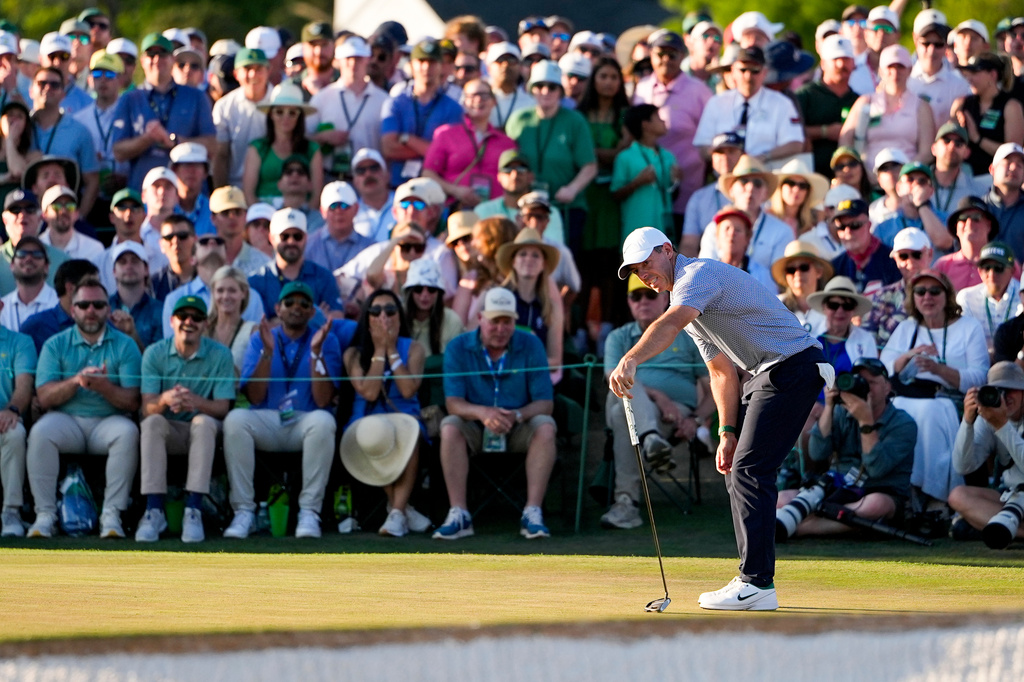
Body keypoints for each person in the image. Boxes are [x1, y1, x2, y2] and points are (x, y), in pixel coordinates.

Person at [609, 226, 829, 611]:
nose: (644, 275)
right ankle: (755, 579)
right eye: (636, 271)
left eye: (647, 264)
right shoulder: (693, 308)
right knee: (742, 468)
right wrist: (726, 431)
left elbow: (669, 324)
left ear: (667, 249)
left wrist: (631, 358)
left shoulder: (696, 276)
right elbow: (722, 372)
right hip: (769, 374)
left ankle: (756, 583)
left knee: (750, 470)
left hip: (792, 366)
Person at [434, 287, 557, 540]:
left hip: (518, 426)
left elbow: (545, 403)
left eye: (507, 322)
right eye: (494, 321)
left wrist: (517, 416)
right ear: (480, 319)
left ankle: (532, 512)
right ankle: (459, 514)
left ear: (515, 321)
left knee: (545, 426)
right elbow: (453, 403)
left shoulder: (531, 344)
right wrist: (482, 413)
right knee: (449, 425)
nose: (501, 329)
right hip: (476, 427)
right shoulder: (458, 347)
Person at [221, 282, 339, 540]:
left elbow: (323, 400)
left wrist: (316, 353)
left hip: (305, 420)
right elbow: (254, 396)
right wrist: (267, 352)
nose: (296, 308)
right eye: (290, 303)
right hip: (267, 419)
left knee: (324, 420)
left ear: (311, 312)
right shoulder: (261, 338)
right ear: (278, 308)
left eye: (304, 304)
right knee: (235, 420)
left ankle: (309, 511)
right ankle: (243, 511)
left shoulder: (325, 340)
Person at [26, 279, 142, 539]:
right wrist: (77, 381)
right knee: (40, 432)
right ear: (72, 310)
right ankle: (45, 515)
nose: (91, 310)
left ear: (108, 309)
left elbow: (133, 400)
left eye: (98, 305)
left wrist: (104, 388)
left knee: (128, 433)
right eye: (83, 304)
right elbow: (43, 397)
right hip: (66, 418)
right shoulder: (55, 344)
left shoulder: (125, 345)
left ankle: (112, 514)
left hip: (108, 420)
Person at [601, 274, 712, 529]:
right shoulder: (618, 337)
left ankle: (626, 503)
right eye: (635, 296)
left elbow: (714, 388)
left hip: (675, 417)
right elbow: (613, 379)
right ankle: (650, 439)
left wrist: (696, 421)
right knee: (623, 387)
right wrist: (659, 397)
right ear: (628, 302)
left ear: (665, 299)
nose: (642, 301)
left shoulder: (689, 335)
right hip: (653, 417)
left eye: (649, 295)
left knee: (622, 414)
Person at [880, 270, 990, 506]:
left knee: (930, 413)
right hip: (908, 394)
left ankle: (934, 493)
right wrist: (909, 355)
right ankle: (905, 490)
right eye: (920, 291)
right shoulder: (907, 328)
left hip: (950, 399)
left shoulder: (968, 327)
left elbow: (980, 376)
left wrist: (939, 369)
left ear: (947, 294)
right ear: (913, 296)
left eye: (934, 291)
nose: (927, 297)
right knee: (898, 410)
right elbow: (883, 368)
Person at [135, 296, 236, 543]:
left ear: (205, 323)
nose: (189, 322)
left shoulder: (221, 355)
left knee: (203, 423)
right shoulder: (154, 353)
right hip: (168, 428)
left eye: (197, 317)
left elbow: (223, 407)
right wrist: (165, 399)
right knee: (152, 422)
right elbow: (146, 407)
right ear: (172, 321)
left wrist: (196, 402)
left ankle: (194, 510)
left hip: (203, 431)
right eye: (183, 316)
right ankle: (154, 510)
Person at [788, 357, 916, 536]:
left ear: (887, 387)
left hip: (878, 489)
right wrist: (829, 407)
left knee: (875, 505)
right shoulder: (841, 411)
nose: (866, 387)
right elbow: (817, 454)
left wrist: (866, 421)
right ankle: (843, 521)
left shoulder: (904, 423)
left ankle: (803, 527)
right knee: (781, 499)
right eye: (861, 381)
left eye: (872, 382)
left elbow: (877, 469)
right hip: (838, 488)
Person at [340, 289, 431, 537]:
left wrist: (391, 350)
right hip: (366, 422)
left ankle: (397, 512)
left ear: (399, 317)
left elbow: (409, 388)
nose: (384, 316)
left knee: (408, 434)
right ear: (366, 317)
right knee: (376, 435)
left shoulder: (414, 349)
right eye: (376, 310)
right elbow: (369, 392)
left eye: (390, 310)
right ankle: (401, 511)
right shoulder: (354, 353)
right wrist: (379, 351)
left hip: (404, 417)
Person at [505, 60, 597, 256]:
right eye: (539, 86)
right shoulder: (518, 120)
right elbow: (507, 162)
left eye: (552, 87)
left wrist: (572, 188)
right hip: (527, 207)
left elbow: (589, 166)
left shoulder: (575, 121)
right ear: (531, 90)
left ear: (561, 91)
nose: (545, 91)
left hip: (565, 208)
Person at [111, 33, 215, 193]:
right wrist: (147, 139)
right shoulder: (129, 99)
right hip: (144, 193)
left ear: (173, 60)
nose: (157, 59)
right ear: (142, 61)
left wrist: (174, 142)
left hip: (187, 196)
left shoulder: (196, 97)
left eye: (162, 54)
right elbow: (118, 151)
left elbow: (212, 145)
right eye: (151, 54)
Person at [633, 29, 712, 222]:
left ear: (682, 56)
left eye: (672, 54)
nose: (665, 59)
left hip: (687, 191)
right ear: (651, 55)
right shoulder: (641, 87)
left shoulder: (699, 90)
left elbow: (711, 139)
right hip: (646, 190)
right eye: (660, 54)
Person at [949, 361, 1024, 541]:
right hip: (1012, 495)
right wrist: (967, 421)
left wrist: (1002, 425)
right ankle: (1017, 532)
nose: (1005, 397)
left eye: (1011, 390)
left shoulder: (997, 419)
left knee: (963, 526)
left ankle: (986, 526)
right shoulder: (989, 416)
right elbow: (963, 466)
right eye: (998, 390)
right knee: (958, 495)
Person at [693, 45, 805, 167]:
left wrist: (764, 156)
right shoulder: (717, 103)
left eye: (754, 71)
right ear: (733, 71)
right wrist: (725, 156)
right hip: (725, 178)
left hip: (766, 176)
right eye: (743, 70)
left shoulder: (781, 103)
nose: (748, 76)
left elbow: (795, 143)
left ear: (764, 73)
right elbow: (702, 146)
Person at [839, 45, 935, 181]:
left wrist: (903, 174)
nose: (895, 73)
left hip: (906, 180)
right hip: (867, 178)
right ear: (881, 71)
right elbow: (845, 139)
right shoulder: (866, 102)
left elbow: (926, 153)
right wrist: (858, 171)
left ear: (910, 70)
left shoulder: (921, 106)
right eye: (890, 67)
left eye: (900, 67)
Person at [380, 39, 463, 187]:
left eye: (432, 62)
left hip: (435, 188)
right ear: (411, 65)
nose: (426, 67)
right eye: (421, 61)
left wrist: (407, 139)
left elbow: (448, 155)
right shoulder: (395, 103)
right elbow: (389, 148)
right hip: (397, 186)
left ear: (441, 66)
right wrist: (432, 150)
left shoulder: (453, 108)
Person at [422, 78, 515, 208]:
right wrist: (455, 190)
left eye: (484, 95)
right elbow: (428, 174)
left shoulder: (507, 143)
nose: (478, 100)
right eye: (472, 96)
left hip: (495, 211)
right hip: (456, 208)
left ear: (494, 101)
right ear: (464, 102)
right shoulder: (446, 135)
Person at [307, 37, 389, 180]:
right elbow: (304, 138)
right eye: (348, 59)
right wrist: (323, 137)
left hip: (371, 178)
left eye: (358, 58)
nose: (353, 64)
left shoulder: (383, 100)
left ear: (367, 59)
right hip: (331, 175)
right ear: (338, 62)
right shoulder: (321, 98)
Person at [163, 230, 265, 337]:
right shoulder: (175, 299)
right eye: (204, 241)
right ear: (192, 259)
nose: (212, 242)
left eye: (219, 241)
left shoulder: (250, 297)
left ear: (227, 258)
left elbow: (255, 342)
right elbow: (173, 346)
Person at [697, 155, 790, 270]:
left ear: (766, 193)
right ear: (731, 190)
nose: (750, 188)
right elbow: (705, 270)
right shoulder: (713, 228)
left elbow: (779, 278)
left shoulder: (782, 231)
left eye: (757, 184)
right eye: (743, 181)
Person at [28, 67, 99, 217]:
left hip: (64, 215)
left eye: (55, 85)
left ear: (63, 94)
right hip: (24, 215)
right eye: (42, 83)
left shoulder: (79, 131)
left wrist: (79, 219)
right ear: (31, 90)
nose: (48, 88)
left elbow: (92, 181)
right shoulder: (20, 127)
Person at [247, 208, 341, 320]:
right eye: (284, 236)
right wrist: (314, 317)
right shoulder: (256, 280)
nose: (291, 242)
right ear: (272, 238)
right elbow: (258, 327)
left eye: (297, 236)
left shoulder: (323, 276)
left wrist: (280, 320)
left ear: (306, 238)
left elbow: (337, 317)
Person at [495, 227, 565, 372]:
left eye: (535, 255)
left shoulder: (552, 307)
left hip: (535, 384)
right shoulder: (496, 298)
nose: (529, 259)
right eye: (522, 254)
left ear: (543, 264)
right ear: (513, 261)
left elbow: (555, 361)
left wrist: (525, 363)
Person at [243, 82, 322, 206]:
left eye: (292, 113)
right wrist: (262, 221)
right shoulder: (257, 148)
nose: (286, 118)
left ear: (299, 117)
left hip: (303, 214)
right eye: (279, 112)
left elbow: (316, 195)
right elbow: (249, 194)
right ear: (271, 115)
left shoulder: (312, 149)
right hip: (263, 214)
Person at [796, 35, 860, 177]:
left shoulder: (859, 100)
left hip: (848, 175)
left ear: (853, 63)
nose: (841, 65)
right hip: (811, 175)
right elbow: (790, 132)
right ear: (823, 64)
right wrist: (824, 131)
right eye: (835, 59)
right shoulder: (805, 95)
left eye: (846, 59)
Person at [611, 104, 677, 242]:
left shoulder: (668, 156)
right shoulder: (625, 157)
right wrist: (637, 183)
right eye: (658, 117)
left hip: (663, 232)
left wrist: (677, 181)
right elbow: (615, 194)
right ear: (645, 125)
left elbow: (672, 194)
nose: (664, 121)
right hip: (635, 233)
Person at [952, 53, 1024, 178]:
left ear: (993, 75)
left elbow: (1013, 153)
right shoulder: (963, 103)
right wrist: (956, 128)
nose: (970, 78)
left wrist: (977, 139)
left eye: (975, 73)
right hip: (963, 176)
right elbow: (948, 139)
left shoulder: (1010, 106)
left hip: (995, 178)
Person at [861, 227, 934, 346]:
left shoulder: (943, 294)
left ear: (930, 254)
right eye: (903, 256)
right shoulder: (881, 297)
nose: (910, 262)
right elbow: (867, 342)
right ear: (895, 259)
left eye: (916, 255)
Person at [474, 149, 565, 243]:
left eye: (521, 169)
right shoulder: (483, 211)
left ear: (531, 176)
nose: (514, 175)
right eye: (508, 170)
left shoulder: (549, 212)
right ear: (499, 177)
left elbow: (555, 249)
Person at [212, 48, 272, 189]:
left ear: (268, 71)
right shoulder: (224, 106)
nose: (253, 74)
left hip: (273, 186)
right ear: (236, 74)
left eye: (259, 68)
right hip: (236, 186)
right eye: (247, 68)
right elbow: (221, 155)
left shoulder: (280, 101)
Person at [0, 299, 35, 536]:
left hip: (4, 418)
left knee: (15, 433)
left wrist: (11, 410)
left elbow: (24, 387)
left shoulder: (21, 342)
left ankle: (11, 511)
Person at [907, 10, 971, 132]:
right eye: (926, 43)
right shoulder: (903, 78)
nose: (932, 50)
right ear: (915, 40)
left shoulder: (960, 85)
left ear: (946, 44)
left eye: (938, 44)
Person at [681, 132, 742, 257]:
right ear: (712, 158)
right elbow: (689, 244)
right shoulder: (699, 198)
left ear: (742, 155)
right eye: (719, 152)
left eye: (731, 151)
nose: (725, 157)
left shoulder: (758, 192)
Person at [807, 276, 878, 382]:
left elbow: (871, 380)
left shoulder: (866, 339)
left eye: (847, 306)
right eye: (833, 305)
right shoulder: (808, 335)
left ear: (854, 310)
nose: (840, 311)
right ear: (824, 307)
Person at [956, 241, 1022, 356]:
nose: (991, 274)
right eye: (986, 268)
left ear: (1012, 271)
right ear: (979, 271)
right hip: (977, 360)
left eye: (998, 268)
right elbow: (964, 340)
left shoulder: (1022, 296)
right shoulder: (966, 297)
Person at [19, 258, 98, 353]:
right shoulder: (36, 326)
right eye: (92, 285)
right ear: (70, 288)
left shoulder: (101, 321)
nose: (98, 290)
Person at [872, 162, 952, 251]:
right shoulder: (883, 228)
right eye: (910, 180)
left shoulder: (947, 219)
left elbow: (944, 242)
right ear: (899, 188)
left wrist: (921, 204)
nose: (916, 185)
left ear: (931, 190)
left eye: (922, 181)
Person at [829, 198, 901, 294]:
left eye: (855, 225)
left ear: (869, 225)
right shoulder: (835, 266)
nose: (848, 232)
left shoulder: (894, 260)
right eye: (841, 227)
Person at [107, 241, 163, 351]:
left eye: (135, 261)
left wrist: (132, 334)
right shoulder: (102, 307)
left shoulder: (160, 310)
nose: (129, 266)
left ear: (146, 269)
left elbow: (158, 361)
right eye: (122, 262)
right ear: (114, 271)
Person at [402, 258, 464, 356]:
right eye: (418, 289)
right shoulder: (397, 318)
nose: (425, 295)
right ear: (410, 292)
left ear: (439, 293)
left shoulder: (452, 320)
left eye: (431, 289)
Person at [772, 240, 833, 336]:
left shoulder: (835, 307)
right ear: (786, 275)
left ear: (819, 272)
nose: (797, 274)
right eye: (791, 270)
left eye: (804, 267)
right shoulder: (774, 306)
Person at [205, 265, 257, 372]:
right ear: (213, 293)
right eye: (220, 290)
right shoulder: (202, 328)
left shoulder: (252, 331)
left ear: (244, 293)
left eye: (232, 290)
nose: (225, 296)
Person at [710, 205, 776, 291]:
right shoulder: (708, 272)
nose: (732, 233)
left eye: (738, 230)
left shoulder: (761, 275)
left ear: (748, 238)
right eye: (727, 228)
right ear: (717, 236)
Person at [0, 236, 58, 332]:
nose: (29, 258)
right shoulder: (3, 307)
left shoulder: (58, 304)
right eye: (22, 254)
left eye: (37, 254)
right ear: (12, 265)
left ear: (46, 267)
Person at [37, 185, 103, 266]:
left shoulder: (93, 249)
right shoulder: (35, 249)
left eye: (70, 206)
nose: (64, 211)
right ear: (44, 215)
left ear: (76, 214)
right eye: (56, 206)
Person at [768, 159, 829, 240]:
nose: (796, 190)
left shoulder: (810, 226)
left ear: (807, 193)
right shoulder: (766, 218)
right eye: (791, 183)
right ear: (780, 187)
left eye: (802, 186)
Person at [485, 42, 535, 130]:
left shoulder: (530, 102)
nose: (506, 65)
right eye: (500, 61)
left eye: (511, 61)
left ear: (520, 67)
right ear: (489, 68)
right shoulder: (479, 99)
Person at [350, 148, 396, 243]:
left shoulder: (404, 205)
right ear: (355, 182)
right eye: (361, 171)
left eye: (374, 168)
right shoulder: (349, 212)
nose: (368, 174)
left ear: (387, 175)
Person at [988, 144, 1024, 261]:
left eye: (1019, 165)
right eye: (1007, 162)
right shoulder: (978, 208)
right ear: (992, 169)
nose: (1013, 168)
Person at [169, 142, 213, 237]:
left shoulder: (214, 211)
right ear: (174, 170)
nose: (192, 171)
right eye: (186, 165)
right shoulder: (163, 208)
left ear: (205, 172)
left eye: (197, 166)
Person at [151, 214, 196, 301]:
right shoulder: (154, 284)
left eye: (182, 235)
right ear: (161, 245)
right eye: (169, 237)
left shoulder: (207, 278)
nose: (175, 241)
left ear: (195, 240)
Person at [0, 101, 39, 200]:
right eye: (10, 115)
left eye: (20, 116)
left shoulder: (33, 156)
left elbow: (17, 171)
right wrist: (4, 178)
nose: (14, 119)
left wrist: (9, 139)